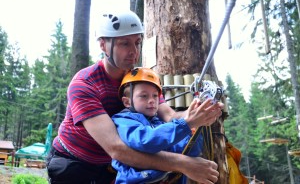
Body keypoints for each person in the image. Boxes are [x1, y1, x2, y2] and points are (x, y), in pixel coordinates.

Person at [46, 10, 223, 184]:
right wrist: (183, 164)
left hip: (109, 167)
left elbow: (169, 116)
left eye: (137, 43)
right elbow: (117, 148)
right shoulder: (85, 84)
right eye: (125, 43)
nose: (133, 51)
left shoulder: (138, 80)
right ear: (103, 45)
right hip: (73, 165)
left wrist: (197, 115)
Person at [112, 67, 204, 183]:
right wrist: (185, 125)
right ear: (127, 102)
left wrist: (194, 131)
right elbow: (145, 140)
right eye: (144, 96)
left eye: (155, 96)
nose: (151, 100)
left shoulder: (159, 124)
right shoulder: (124, 121)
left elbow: (186, 151)